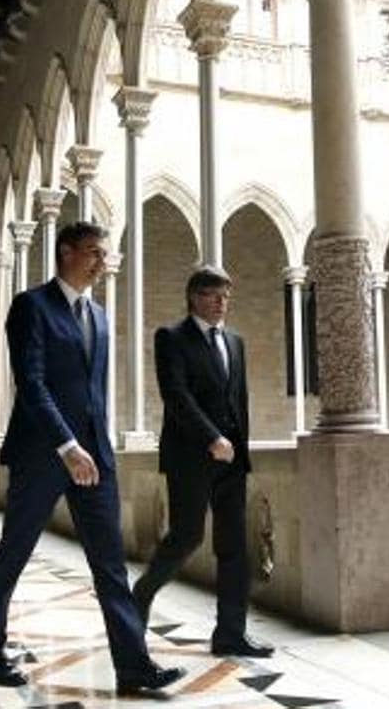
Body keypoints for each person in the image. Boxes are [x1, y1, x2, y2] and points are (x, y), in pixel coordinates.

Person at [0, 221, 186, 694]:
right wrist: (67, 446)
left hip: (95, 458)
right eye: (93, 252)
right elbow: (32, 385)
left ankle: (133, 667)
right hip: (43, 454)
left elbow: (94, 392)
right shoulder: (31, 306)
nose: (101, 261)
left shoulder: (100, 315)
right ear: (66, 252)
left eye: (103, 253)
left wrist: (95, 448)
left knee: (110, 564)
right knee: (14, 552)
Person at [132, 265, 273, 658]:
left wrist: (239, 450)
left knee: (234, 549)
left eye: (226, 296)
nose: (222, 302)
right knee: (186, 537)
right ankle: (138, 599)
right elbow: (175, 396)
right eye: (214, 295)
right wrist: (212, 437)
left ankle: (230, 633)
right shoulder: (172, 338)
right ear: (194, 296)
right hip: (191, 458)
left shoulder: (235, 342)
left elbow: (237, 401)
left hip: (231, 462)